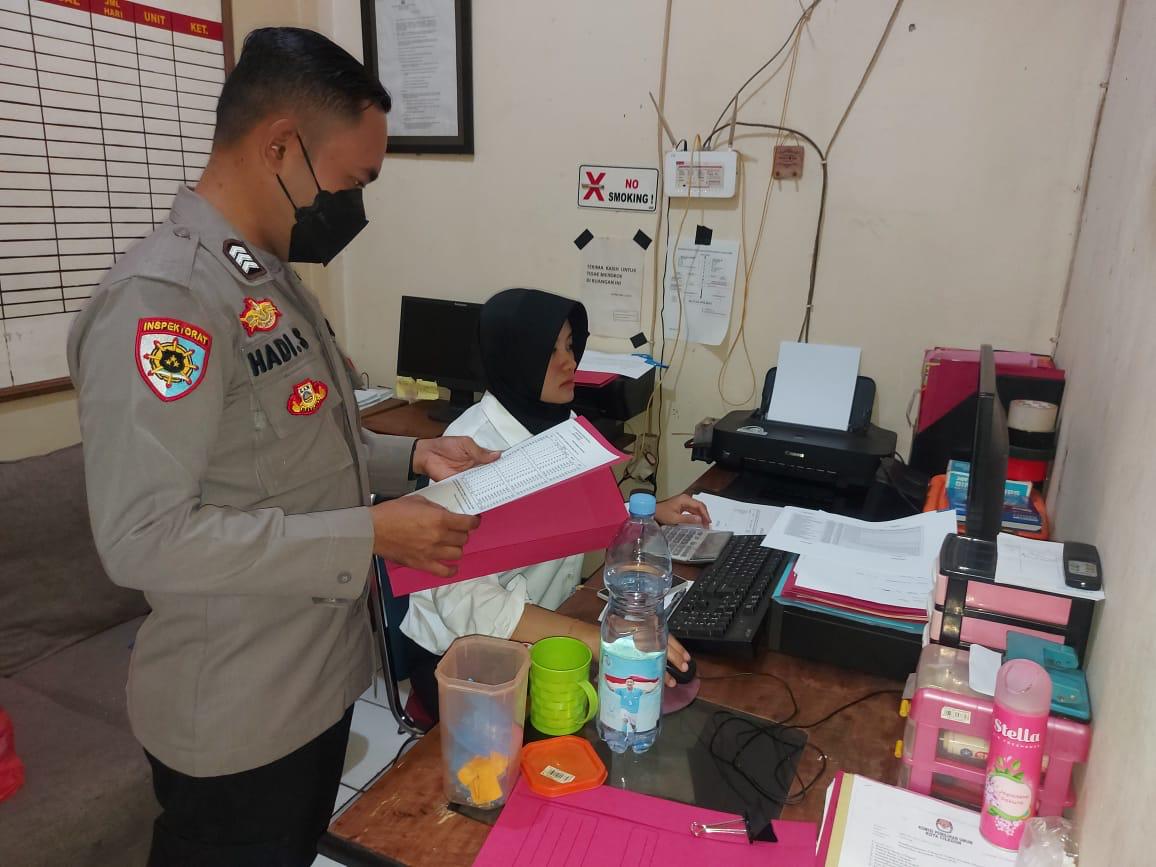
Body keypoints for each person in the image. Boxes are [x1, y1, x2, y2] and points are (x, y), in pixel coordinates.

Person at [67, 28, 497, 867]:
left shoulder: (265, 275)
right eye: (353, 181)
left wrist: (413, 461)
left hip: (313, 682)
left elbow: (293, 448)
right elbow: (143, 537)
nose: (353, 207)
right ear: (279, 147)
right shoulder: (166, 300)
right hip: (237, 709)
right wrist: (370, 533)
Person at [401, 288, 710, 719]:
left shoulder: (562, 425)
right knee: (612, 716)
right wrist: (595, 638)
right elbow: (466, 605)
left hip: (544, 629)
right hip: (462, 662)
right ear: (514, 357)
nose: (570, 362)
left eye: (569, 345)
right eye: (550, 351)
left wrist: (644, 513)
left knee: (642, 695)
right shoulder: (469, 452)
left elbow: (559, 517)